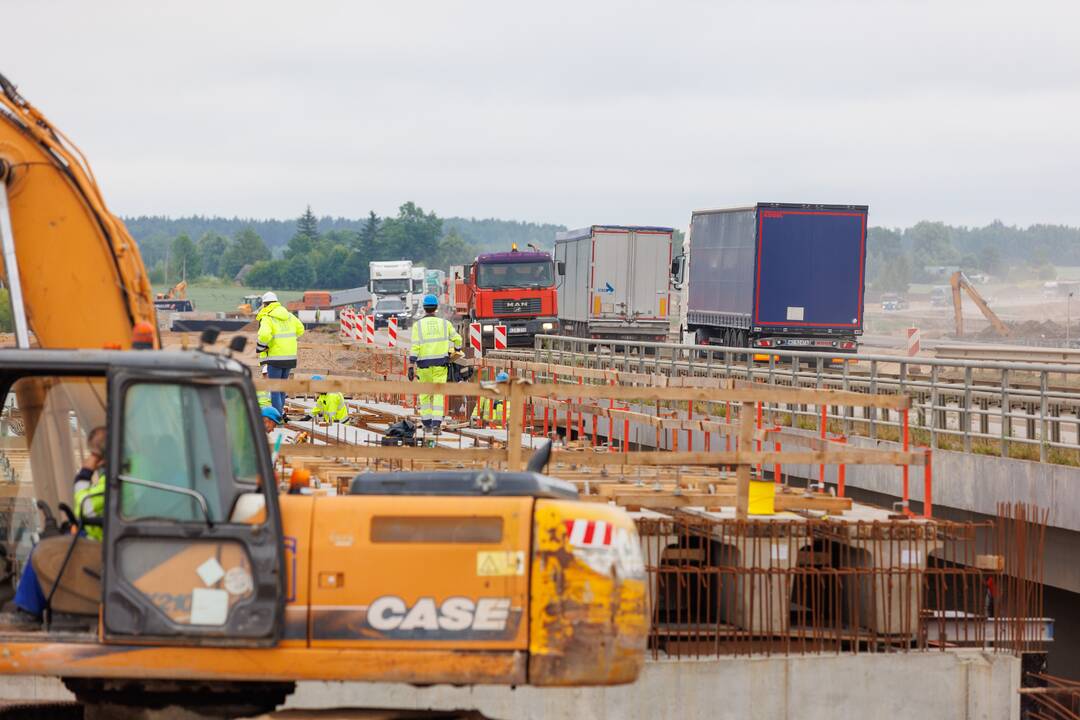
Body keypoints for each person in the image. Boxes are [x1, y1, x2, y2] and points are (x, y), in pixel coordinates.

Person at [13, 427, 107, 620]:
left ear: (101, 457)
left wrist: (84, 474)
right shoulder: (124, 473)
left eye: (94, 454)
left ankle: (27, 612)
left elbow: (86, 508)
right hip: (103, 536)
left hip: (102, 541)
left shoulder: (116, 479)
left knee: (44, 550)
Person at [408, 294, 462, 436]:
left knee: (425, 395)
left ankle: (426, 425)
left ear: (424, 308)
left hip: (423, 366)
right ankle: (436, 426)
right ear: (436, 308)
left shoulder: (417, 326)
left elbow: (415, 347)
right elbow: (458, 339)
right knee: (438, 394)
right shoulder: (445, 324)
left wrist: (410, 365)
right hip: (440, 365)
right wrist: (456, 350)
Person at [256, 291, 305, 416]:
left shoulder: (267, 317)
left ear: (265, 304)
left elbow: (264, 335)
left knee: (274, 389)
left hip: (275, 358)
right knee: (282, 387)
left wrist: (261, 347)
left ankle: (277, 417)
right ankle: (281, 414)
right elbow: (301, 329)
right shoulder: (289, 316)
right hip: (289, 357)